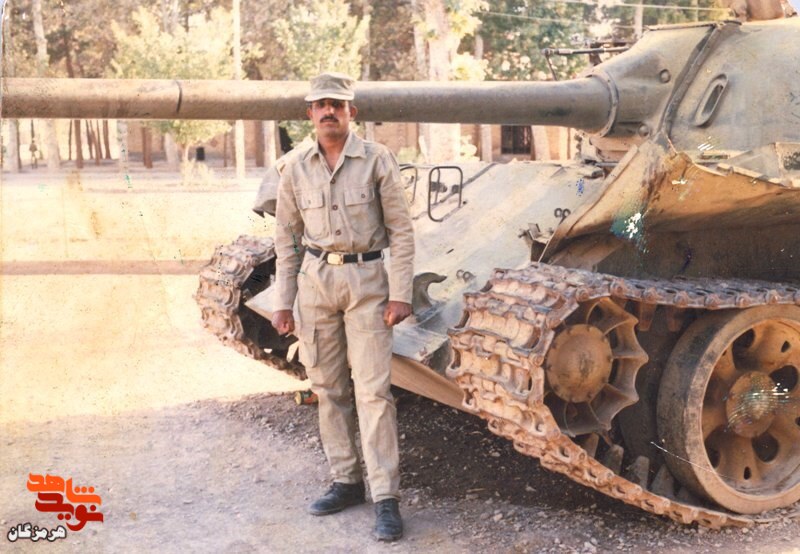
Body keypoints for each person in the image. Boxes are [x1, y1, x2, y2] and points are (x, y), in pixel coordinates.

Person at [271, 72, 415, 542]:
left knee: (373, 392)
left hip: (367, 282)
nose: (329, 111)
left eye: (337, 104)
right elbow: (288, 239)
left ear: (352, 111)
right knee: (328, 389)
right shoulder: (295, 167)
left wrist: (401, 293)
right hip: (316, 284)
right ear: (310, 113)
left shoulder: (376, 159)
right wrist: (283, 301)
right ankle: (346, 481)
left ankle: (386, 497)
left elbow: (401, 230)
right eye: (321, 105)